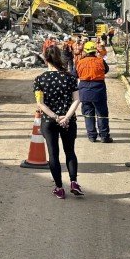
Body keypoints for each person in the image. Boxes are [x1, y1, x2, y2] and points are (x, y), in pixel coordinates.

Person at [34, 45, 83, 199]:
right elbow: (77, 100)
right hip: (68, 121)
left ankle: (59, 188)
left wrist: (55, 117)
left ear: (45, 59)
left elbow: (40, 104)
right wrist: (66, 117)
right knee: (70, 151)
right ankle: (74, 182)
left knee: (53, 154)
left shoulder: (40, 79)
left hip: (49, 121)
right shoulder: (70, 77)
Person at [76, 40, 112, 143]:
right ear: (94, 50)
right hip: (99, 90)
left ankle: (92, 136)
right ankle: (104, 136)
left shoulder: (80, 62)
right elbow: (106, 70)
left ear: (85, 51)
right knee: (102, 113)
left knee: (88, 113)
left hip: (84, 91)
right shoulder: (100, 61)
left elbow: (75, 74)